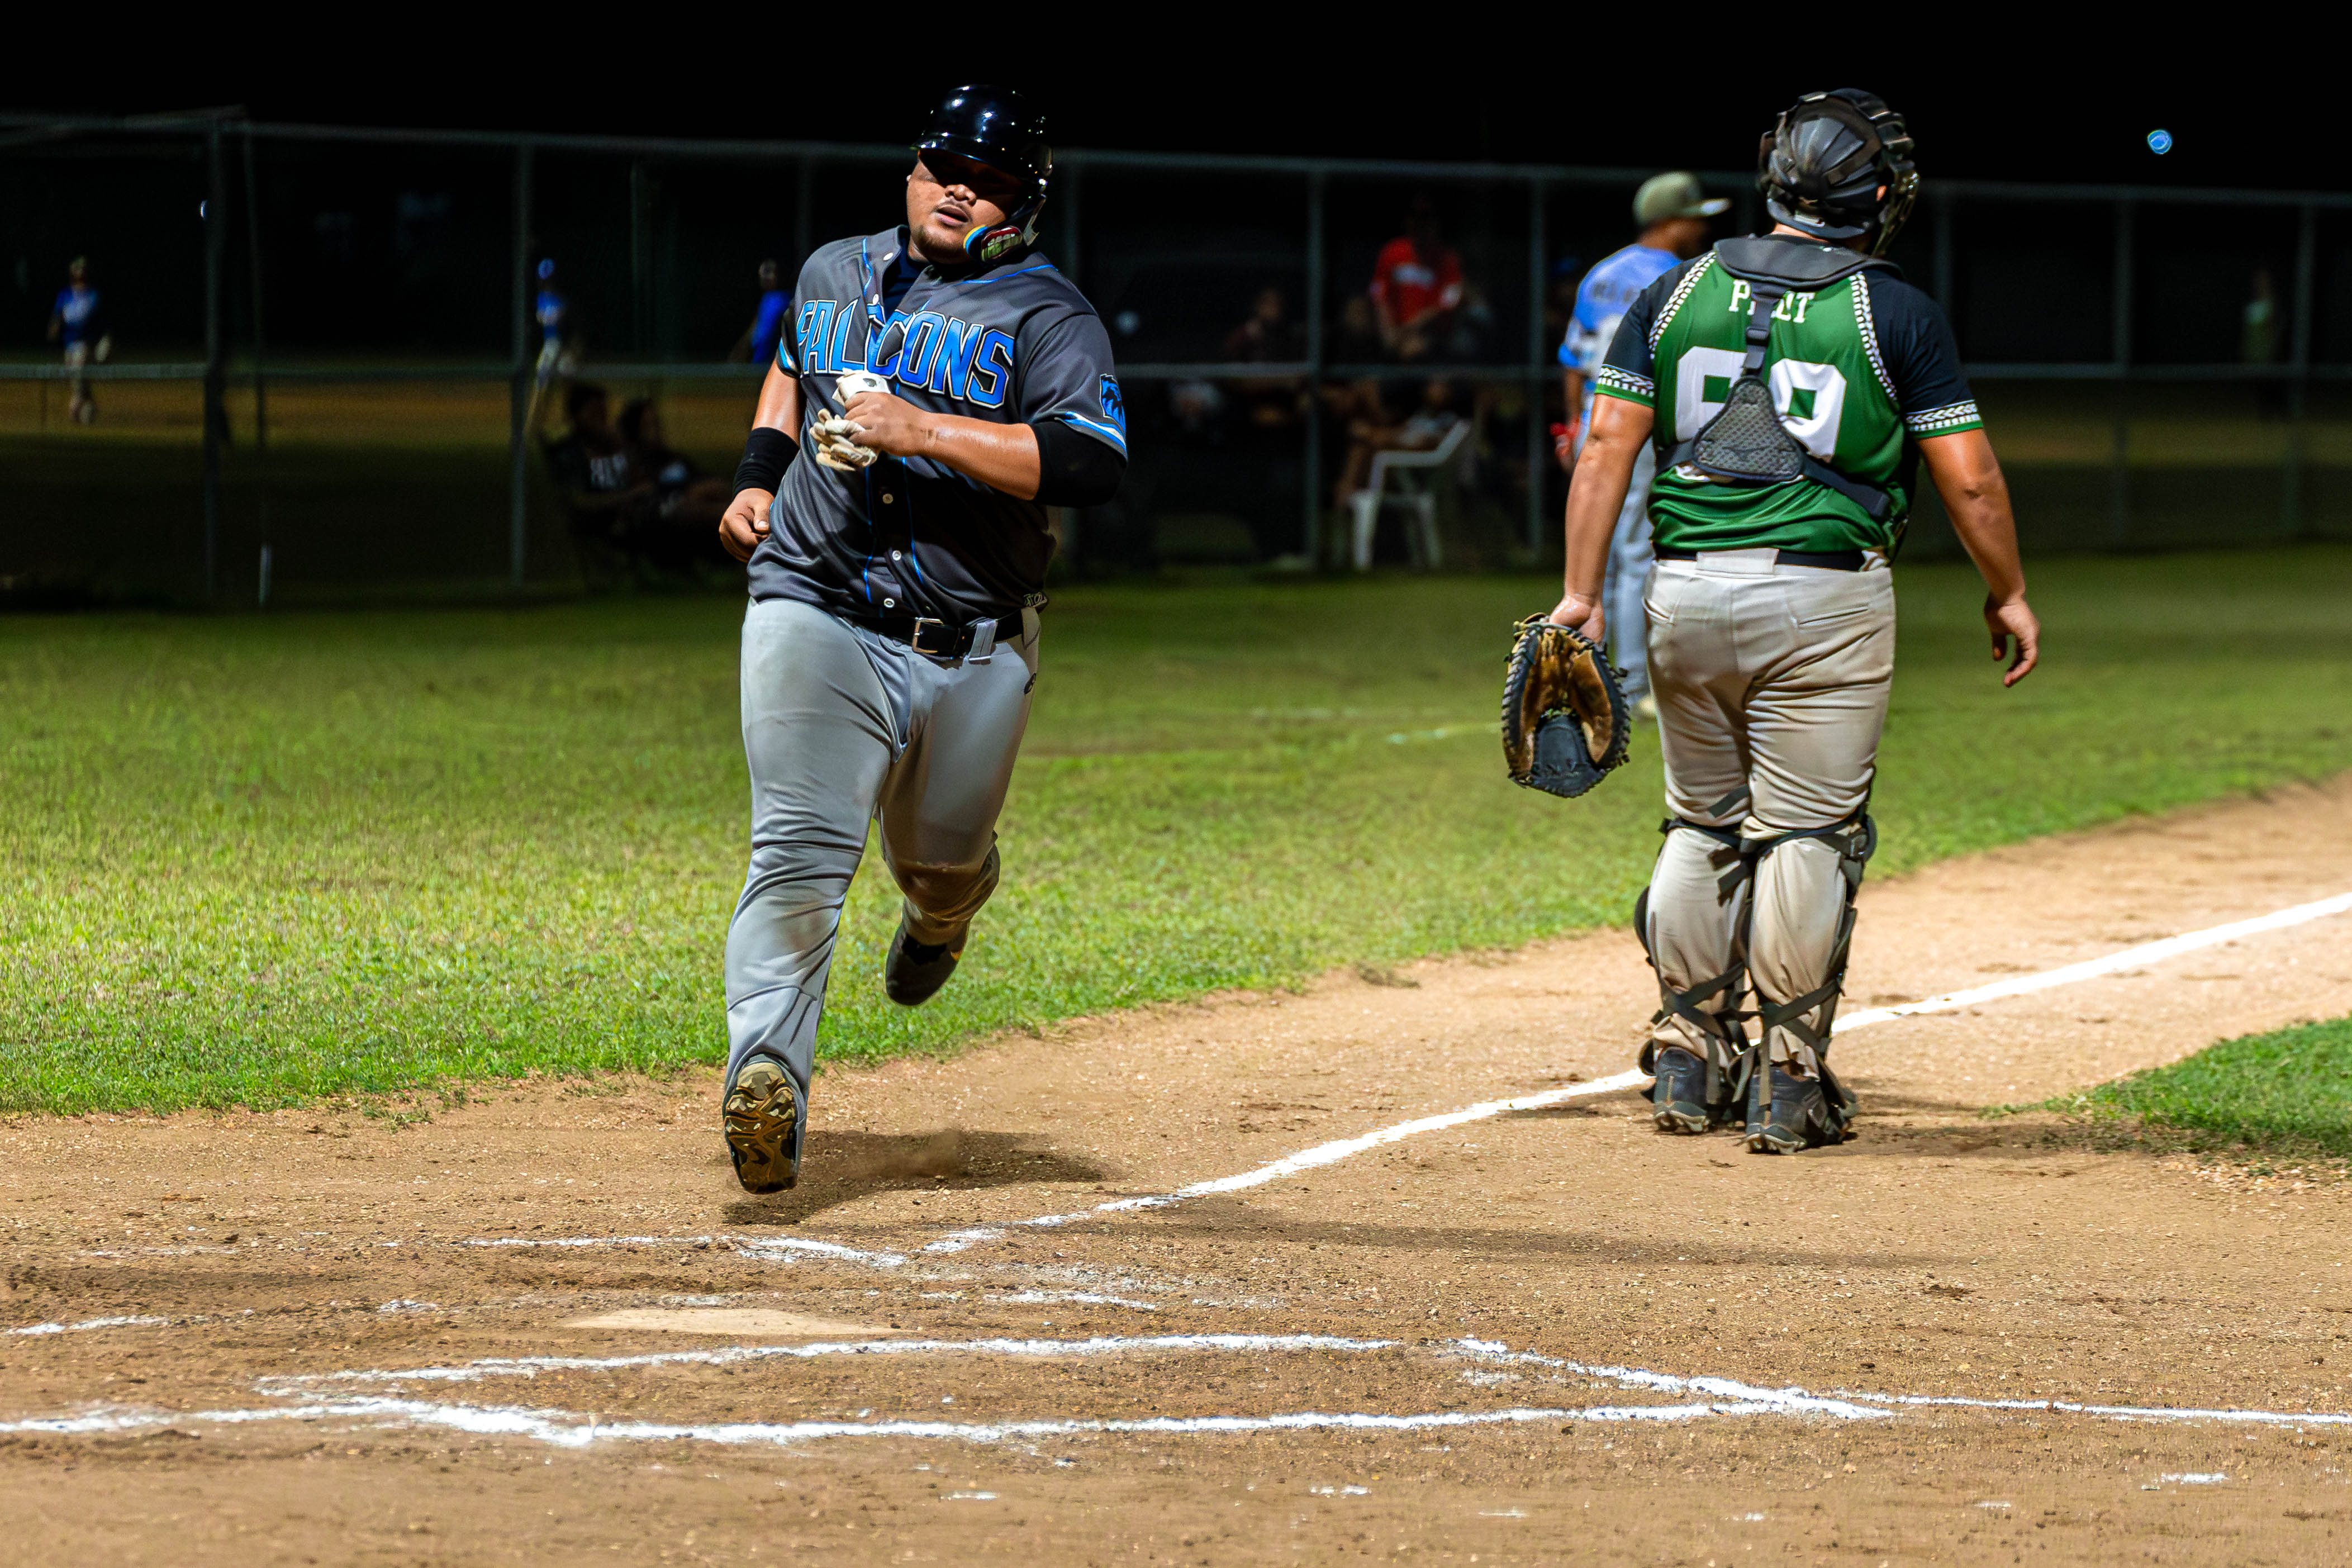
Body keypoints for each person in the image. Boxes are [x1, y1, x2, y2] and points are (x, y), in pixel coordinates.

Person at [1549, 88, 2041, 1155]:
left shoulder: (1673, 292)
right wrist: (2002, 588)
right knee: (1807, 834)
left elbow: (1603, 451)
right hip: (1822, 595)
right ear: (1872, 198)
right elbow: (1969, 483)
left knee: (1699, 821)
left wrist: (1580, 596)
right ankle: (1784, 1077)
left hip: (1680, 589)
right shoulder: (1891, 309)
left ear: (1775, 182)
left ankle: (1685, 1053)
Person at [714, 85, 1127, 1195]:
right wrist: (758, 478)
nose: (960, 187)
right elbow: (794, 373)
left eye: (989, 177)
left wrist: (921, 428)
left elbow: (1089, 460)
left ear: (1024, 202)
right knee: (798, 850)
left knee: (935, 859)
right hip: (813, 600)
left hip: (973, 639)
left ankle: (944, 909)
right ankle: (766, 1072)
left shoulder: (1047, 311)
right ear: (910, 169)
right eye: (945, 164)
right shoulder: (830, 269)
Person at [1556, 173, 1728, 712]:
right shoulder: (1682, 276)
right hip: (1640, 427)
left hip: (1593, 422)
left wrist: (1571, 427)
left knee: (1595, 557)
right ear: (1666, 220)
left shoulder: (1601, 275)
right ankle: (1627, 687)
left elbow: (1571, 359)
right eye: (1694, 215)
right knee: (1634, 553)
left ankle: (1592, 676)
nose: (1702, 225)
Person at [617, 397, 733, 556]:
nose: (656, 430)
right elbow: (640, 495)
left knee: (717, 489)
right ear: (635, 430)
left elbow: (702, 478)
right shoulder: (633, 462)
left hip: (690, 501)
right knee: (702, 506)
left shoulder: (671, 458)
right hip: (662, 513)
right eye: (648, 426)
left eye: (656, 423)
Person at [1369, 196, 1463, 363]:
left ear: (1436, 223)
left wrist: (1408, 330)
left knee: (1416, 350)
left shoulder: (1448, 260)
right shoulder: (1392, 252)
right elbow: (1379, 295)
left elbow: (1449, 303)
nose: (1421, 225)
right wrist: (1389, 332)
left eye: (1427, 219)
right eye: (1416, 219)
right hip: (1392, 332)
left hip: (1430, 336)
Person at [46, 257, 109, 426]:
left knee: (79, 374)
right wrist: (54, 328)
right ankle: (90, 408)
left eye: (82, 269)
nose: (79, 271)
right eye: (76, 268)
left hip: (86, 344)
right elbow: (57, 316)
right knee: (76, 380)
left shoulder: (93, 295)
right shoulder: (65, 294)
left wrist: (102, 342)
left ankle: (76, 405)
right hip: (70, 344)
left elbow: (100, 321)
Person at [736, 260, 788, 366]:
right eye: (764, 273)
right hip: (758, 362)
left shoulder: (786, 300)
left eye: (770, 272)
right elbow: (754, 332)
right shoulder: (766, 300)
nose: (766, 277)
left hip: (774, 364)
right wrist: (740, 352)